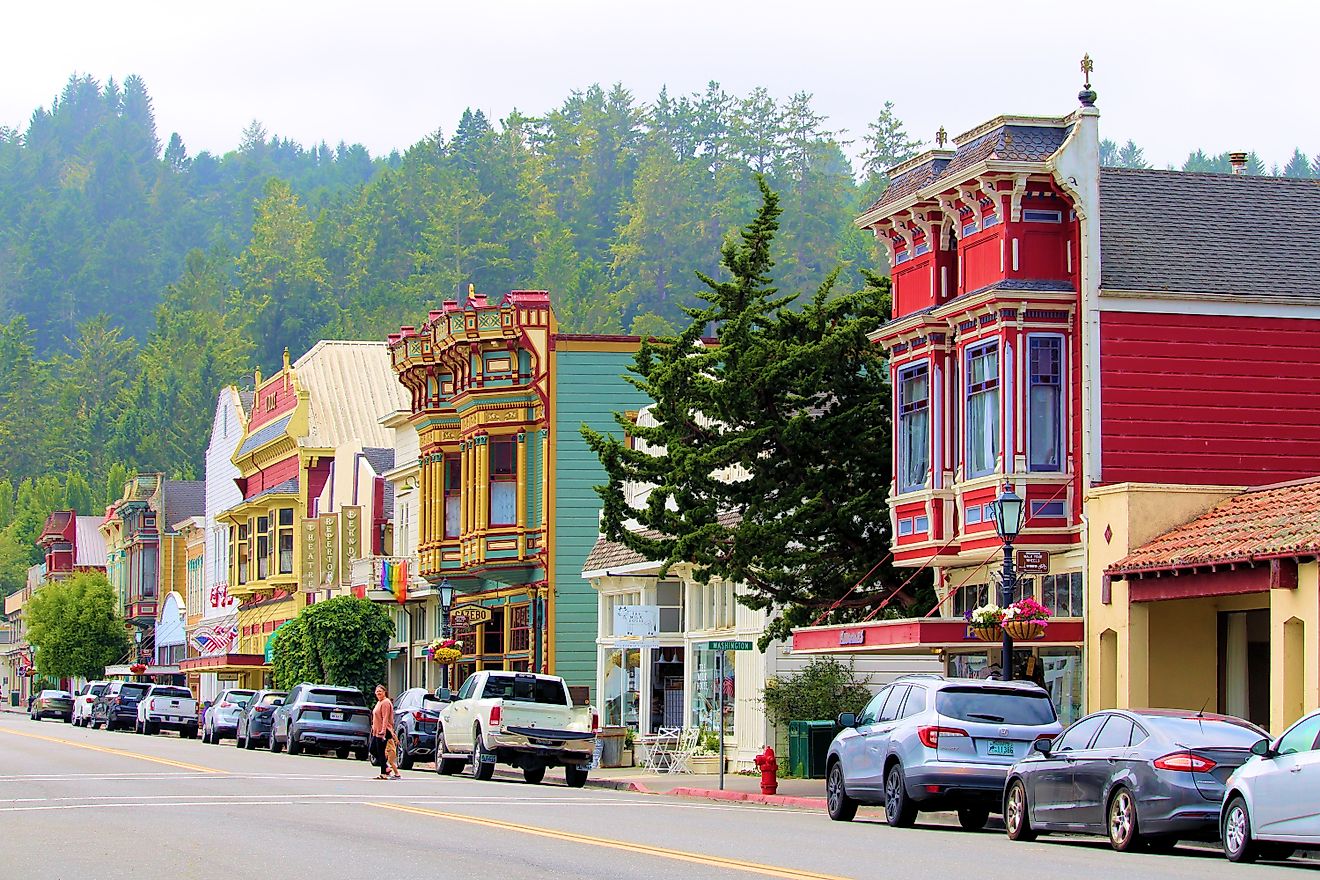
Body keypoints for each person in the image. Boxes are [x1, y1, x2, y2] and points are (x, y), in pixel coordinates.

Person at [370, 684, 395, 780]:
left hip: (383, 731)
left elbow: (385, 718)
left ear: (385, 692)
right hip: (376, 731)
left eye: (380, 691)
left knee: (380, 751)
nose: (378, 693)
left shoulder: (385, 703)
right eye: (377, 691)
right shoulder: (379, 702)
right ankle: (386, 767)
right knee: (372, 749)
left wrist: (383, 731)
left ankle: (383, 773)